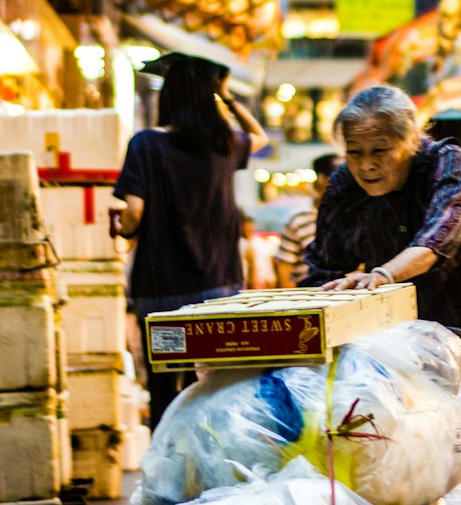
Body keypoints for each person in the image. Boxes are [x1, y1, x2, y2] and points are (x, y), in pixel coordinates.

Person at [303, 85, 461, 505]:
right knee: (415, 435)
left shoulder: (446, 162)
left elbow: (437, 237)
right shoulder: (345, 183)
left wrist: (383, 274)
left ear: (411, 140)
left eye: (381, 150)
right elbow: (323, 266)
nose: (367, 164)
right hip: (416, 334)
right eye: (355, 152)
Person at [113, 55, 269, 429]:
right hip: (218, 290)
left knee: (165, 387)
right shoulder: (224, 144)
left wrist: (125, 229)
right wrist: (227, 98)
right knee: (217, 383)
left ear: (168, 96)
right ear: (208, 97)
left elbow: (133, 212)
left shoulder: (146, 144)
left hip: (162, 294)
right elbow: (261, 138)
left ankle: (167, 474)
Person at [274, 153, 342, 287]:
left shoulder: (352, 215)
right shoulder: (300, 218)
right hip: (309, 292)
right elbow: (284, 267)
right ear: (322, 179)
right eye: (338, 177)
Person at [240, 208, 277, 290]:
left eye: (250, 223)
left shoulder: (261, 241)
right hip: (255, 287)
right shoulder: (243, 244)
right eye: (245, 224)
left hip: (267, 286)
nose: (248, 227)